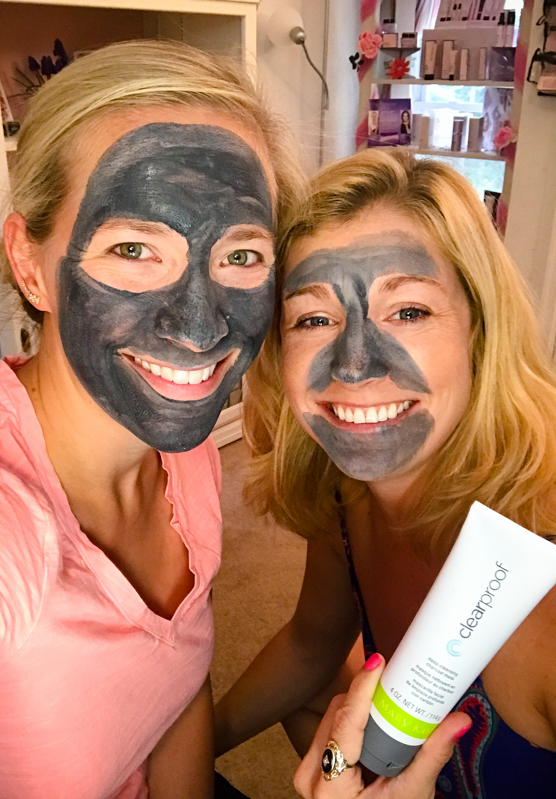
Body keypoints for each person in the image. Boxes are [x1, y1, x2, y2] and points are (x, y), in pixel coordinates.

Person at [0, 39, 302, 799]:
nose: (201, 326)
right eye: (135, 248)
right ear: (30, 262)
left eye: (241, 256)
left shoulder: (181, 449)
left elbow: (174, 688)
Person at [214, 148, 556, 797]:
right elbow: (312, 646)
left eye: (408, 311)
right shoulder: (349, 496)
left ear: (480, 331)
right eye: (315, 318)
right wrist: (189, 749)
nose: (354, 364)